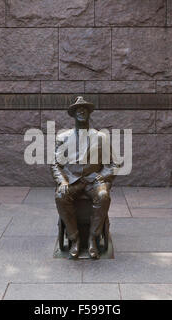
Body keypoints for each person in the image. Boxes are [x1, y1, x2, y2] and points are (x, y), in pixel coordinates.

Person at [51, 96, 119, 259]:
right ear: (73, 114)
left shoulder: (100, 137)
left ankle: (92, 238)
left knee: (103, 196)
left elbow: (113, 164)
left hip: (93, 180)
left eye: (85, 109)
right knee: (60, 195)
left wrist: (102, 177)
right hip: (72, 180)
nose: (81, 111)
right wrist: (62, 181)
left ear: (89, 113)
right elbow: (56, 165)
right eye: (77, 109)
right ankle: (74, 238)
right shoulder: (63, 138)